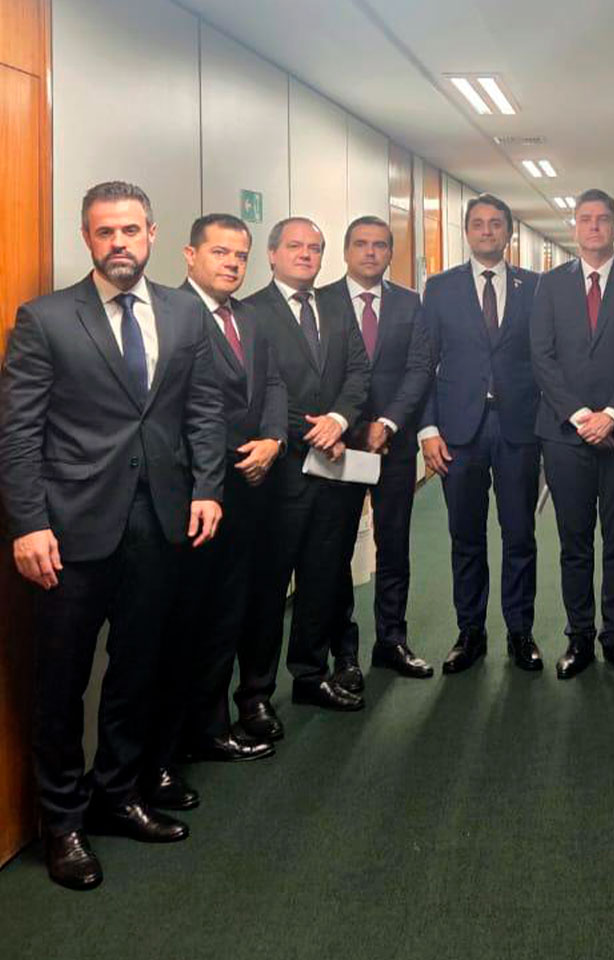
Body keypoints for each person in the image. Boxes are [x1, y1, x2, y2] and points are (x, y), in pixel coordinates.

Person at [0, 181, 224, 890]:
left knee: (138, 668)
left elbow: (204, 408)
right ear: (86, 238)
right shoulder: (45, 319)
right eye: (105, 232)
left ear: (152, 234)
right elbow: (18, 433)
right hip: (69, 530)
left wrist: (208, 487)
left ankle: (118, 793)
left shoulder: (185, 313)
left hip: (160, 522)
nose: (118, 243)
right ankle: (62, 821)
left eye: (130, 230)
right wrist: (28, 523)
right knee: (62, 679)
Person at [143, 214, 283, 814]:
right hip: (193, 496)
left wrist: (273, 439)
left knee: (227, 614)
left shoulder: (250, 317)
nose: (231, 263)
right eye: (220, 252)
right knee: (185, 623)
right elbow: (179, 411)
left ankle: (211, 726)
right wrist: (224, 462)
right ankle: (167, 750)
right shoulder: (171, 314)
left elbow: (273, 385)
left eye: (240, 255)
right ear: (189, 254)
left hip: (248, 491)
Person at [530, 188, 614, 679]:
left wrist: (612, 414)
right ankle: (580, 636)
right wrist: (581, 416)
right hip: (564, 435)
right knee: (574, 541)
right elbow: (541, 356)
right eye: (585, 218)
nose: (593, 226)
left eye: (602, 218)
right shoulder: (549, 285)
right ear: (574, 228)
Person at [241, 217, 370, 724]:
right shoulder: (252, 312)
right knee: (269, 588)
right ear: (271, 254)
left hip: (334, 470)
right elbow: (260, 387)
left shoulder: (337, 306)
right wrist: (313, 430)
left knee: (322, 577)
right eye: (294, 246)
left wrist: (339, 420)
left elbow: (358, 372)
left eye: (314, 248)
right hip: (281, 475)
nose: (305, 255)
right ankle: (254, 694)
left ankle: (312, 676)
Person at [419, 194, 543, 673]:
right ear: (466, 231)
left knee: (520, 534)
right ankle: (470, 631)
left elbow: (544, 359)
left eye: (495, 224)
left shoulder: (534, 286)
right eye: (477, 223)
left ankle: (520, 631)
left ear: (508, 232)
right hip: (459, 432)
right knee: (465, 535)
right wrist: (428, 428)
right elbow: (424, 363)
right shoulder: (440, 288)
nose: (487, 231)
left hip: (518, 428)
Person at [319, 216, 434, 692]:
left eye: (380, 245)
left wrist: (387, 423)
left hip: (393, 443)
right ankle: (343, 653)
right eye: (362, 244)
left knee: (394, 544)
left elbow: (420, 368)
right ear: (346, 251)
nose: (371, 252)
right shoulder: (320, 301)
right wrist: (349, 426)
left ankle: (391, 640)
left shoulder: (410, 302)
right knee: (337, 549)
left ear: (390, 253)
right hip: (337, 447)